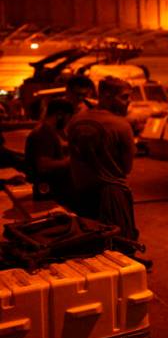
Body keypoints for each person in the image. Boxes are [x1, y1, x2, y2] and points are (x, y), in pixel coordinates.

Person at [66, 77, 139, 241]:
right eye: (124, 97)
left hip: (81, 194)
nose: (128, 102)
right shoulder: (121, 125)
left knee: (87, 245)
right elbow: (127, 167)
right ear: (106, 96)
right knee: (118, 244)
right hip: (112, 198)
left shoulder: (75, 121)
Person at [23, 97, 74, 202]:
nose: (68, 122)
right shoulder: (44, 133)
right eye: (68, 118)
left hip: (48, 189)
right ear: (60, 115)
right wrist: (69, 161)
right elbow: (43, 164)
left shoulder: (47, 130)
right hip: (48, 191)